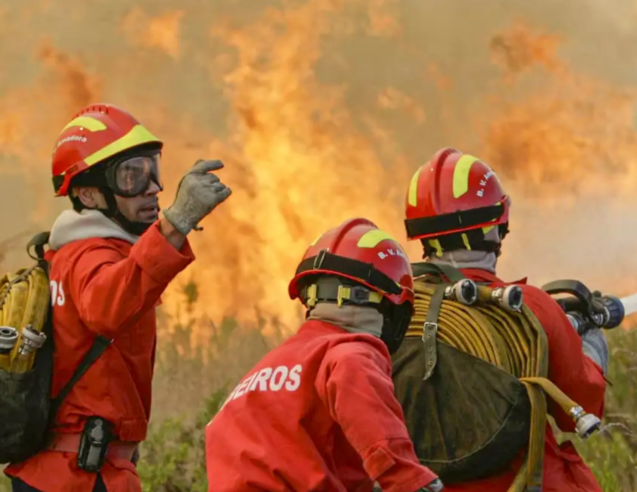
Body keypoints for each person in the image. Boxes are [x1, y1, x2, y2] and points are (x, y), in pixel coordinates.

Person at [3, 103, 232, 492]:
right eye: (131, 176)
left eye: (152, 169)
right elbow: (108, 306)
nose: (152, 189)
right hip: (79, 477)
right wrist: (176, 222)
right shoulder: (87, 254)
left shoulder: (75, 254)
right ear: (89, 195)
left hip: (72, 473)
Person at [400, 147, 609, 492]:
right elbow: (581, 404)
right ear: (498, 228)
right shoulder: (531, 308)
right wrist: (591, 343)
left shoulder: (393, 312)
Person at [204, 218, 443, 492]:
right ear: (392, 308)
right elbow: (376, 429)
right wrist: (410, 481)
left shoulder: (265, 371)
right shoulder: (350, 353)